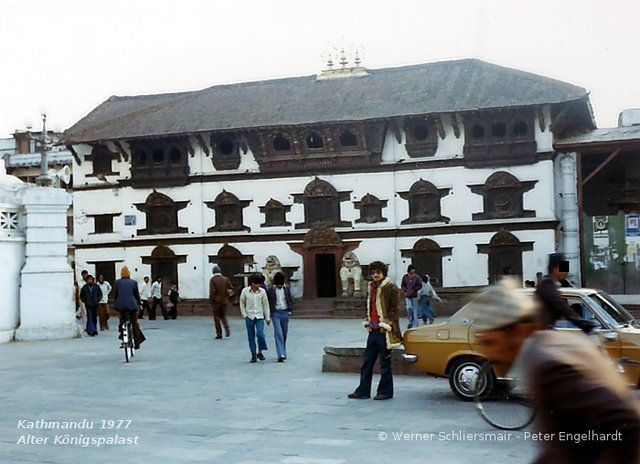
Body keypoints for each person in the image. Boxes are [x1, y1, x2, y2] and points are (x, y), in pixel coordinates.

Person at [471, 278, 640, 464]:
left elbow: (627, 425)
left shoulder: (548, 367)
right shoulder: (552, 344)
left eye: (490, 343)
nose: (487, 354)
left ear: (519, 332)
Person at [349, 261, 402, 401]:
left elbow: (395, 309)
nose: (375, 275)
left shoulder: (391, 287)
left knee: (385, 364)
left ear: (383, 273)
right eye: (373, 273)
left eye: (378, 272)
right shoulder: (371, 287)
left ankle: (385, 391)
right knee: (367, 362)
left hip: (385, 331)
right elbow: (369, 307)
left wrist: (386, 324)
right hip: (372, 330)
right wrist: (367, 322)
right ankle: (363, 391)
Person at [536, 253, 595, 333]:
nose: (566, 272)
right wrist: (580, 321)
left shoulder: (554, 283)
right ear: (554, 268)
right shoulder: (547, 284)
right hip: (541, 332)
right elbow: (561, 305)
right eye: (563, 268)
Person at [239, 274, 271, 363]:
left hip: (259, 316)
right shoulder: (245, 291)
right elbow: (242, 303)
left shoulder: (262, 292)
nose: (259, 285)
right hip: (249, 316)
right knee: (251, 336)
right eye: (257, 283)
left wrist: (267, 317)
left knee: (260, 334)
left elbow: (266, 304)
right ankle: (253, 354)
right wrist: (244, 315)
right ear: (252, 283)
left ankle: (260, 351)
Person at [113, 266, 146, 350]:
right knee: (134, 322)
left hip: (120, 305)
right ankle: (137, 343)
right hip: (132, 305)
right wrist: (139, 304)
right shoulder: (133, 282)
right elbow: (136, 295)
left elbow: (115, 295)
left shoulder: (117, 283)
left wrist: (116, 304)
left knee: (122, 319)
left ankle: (122, 333)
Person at [266, 271, 293, 362]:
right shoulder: (271, 290)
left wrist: (290, 310)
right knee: (278, 333)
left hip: (285, 312)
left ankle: (283, 351)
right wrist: (268, 315)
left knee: (284, 333)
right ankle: (280, 353)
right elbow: (268, 302)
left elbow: (289, 299)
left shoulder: (287, 288)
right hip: (275, 313)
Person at [209, 265, 233, 339]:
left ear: (213, 272)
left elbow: (212, 291)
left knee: (216, 318)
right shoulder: (226, 279)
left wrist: (211, 300)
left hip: (216, 302)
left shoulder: (213, 280)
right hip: (225, 301)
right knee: (223, 316)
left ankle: (219, 334)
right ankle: (227, 328)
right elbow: (231, 288)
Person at [401, 264, 422, 329]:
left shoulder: (417, 277)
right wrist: (405, 290)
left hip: (414, 296)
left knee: (415, 310)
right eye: (412, 269)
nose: (413, 271)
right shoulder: (405, 277)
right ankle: (410, 321)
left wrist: (415, 289)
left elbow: (420, 285)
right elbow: (403, 285)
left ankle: (415, 323)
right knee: (409, 308)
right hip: (407, 295)